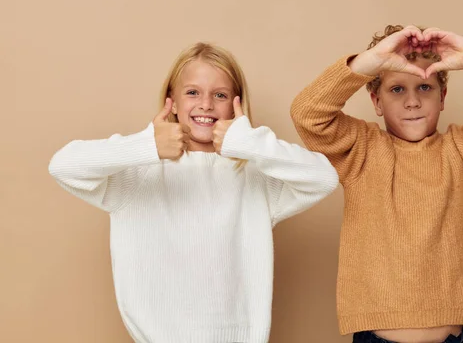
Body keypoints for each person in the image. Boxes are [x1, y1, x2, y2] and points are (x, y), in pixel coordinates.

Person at [48, 42, 339, 343]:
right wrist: (147, 145)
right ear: (171, 101)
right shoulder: (138, 174)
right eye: (192, 92)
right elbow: (63, 166)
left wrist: (249, 142)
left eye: (220, 95)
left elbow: (323, 178)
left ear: (235, 104)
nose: (206, 104)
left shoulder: (255, 177)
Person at [290, 25, 463, 343]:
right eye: (397, 89)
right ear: (376, 101)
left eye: (425, 88)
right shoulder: (360, 149)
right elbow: (307, 114)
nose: (413, 102)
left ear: (443, 97)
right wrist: (370, 61)